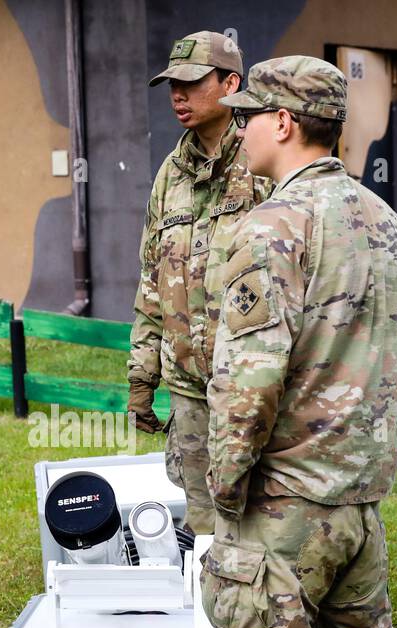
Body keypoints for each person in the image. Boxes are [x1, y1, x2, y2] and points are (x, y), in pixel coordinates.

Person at [201, 55, 397, 628]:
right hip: (358, 492)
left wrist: (225, 486)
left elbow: (247, 380)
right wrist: (373, 449)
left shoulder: (271, 227)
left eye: (251, 115)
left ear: (284, 124)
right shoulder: (383, 222)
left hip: (288, 495)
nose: (243, 128)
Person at [128, 31, 271, 535]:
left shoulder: (264, 164)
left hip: (254, 385)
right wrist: (142, 377)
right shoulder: (171, 173)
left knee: (261, 509)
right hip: (187, 385)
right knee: (204, 518)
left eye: (191, 82)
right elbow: (152, 278)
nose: (177, 96)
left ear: (231, 84)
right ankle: (211, 611)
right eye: (172, 85)